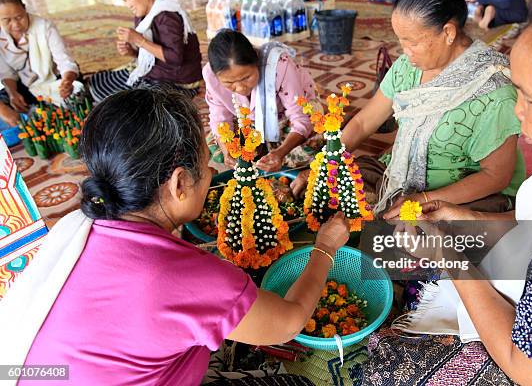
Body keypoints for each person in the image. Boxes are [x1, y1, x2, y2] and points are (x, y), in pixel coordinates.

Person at [0, 88, 350, 385]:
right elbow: (288, 323)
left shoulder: (73, 225)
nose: (212, 171)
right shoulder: (186, 278)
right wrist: (325, 248)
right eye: (205, 161)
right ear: (179, 183)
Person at [381, 0, 532, 384]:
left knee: (387, 365)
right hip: (523, 282)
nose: (518, 113)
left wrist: (450, 260)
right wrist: (464, 217)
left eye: (531, 100)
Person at [294, 0, 525, 216]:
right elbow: (364, 122)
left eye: (413, 42)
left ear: (448, 32)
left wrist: (424, 199)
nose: (405, 52)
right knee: (332, 189)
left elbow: (495, 176)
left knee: (420, 237)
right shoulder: (408, 67)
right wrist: (322, 165)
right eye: (401, 41)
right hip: (401, 176)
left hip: (460, 197)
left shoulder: (493, 89)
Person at [204, 29, 323, 172]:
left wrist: (280, 152)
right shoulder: (211, 76)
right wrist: (227, 150)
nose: (241, 88)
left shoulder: (279, 65)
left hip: (284, 117)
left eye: (246, 78)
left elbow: (301, 118)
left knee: (311, 144)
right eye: (229, 83)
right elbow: (220, 118)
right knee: (214, 144)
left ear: (256, 59)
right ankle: (263, 151)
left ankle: (271, 152)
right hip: (248, 119)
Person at [88, 0, 202, 103]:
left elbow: (175, 58)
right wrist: (132, 52)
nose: (128, 5)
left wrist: (140, 40)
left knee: (139, 102)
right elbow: (150, 56)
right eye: (124, 1)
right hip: (155, 72)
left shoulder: (167, 16)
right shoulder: (143, 16)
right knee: (98, 82)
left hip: (178, 80)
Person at [0, 0, 82, 128]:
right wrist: (12, 93)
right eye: (7, 20)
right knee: (5, 104)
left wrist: (67, 81)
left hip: (54, 81)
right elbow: (7, 73)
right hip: (24, 86)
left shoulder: (44, 26)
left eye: (19, 17)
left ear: (25, 8)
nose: (15, 25)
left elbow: (65, 61)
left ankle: (44, 111)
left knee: (76, 93)